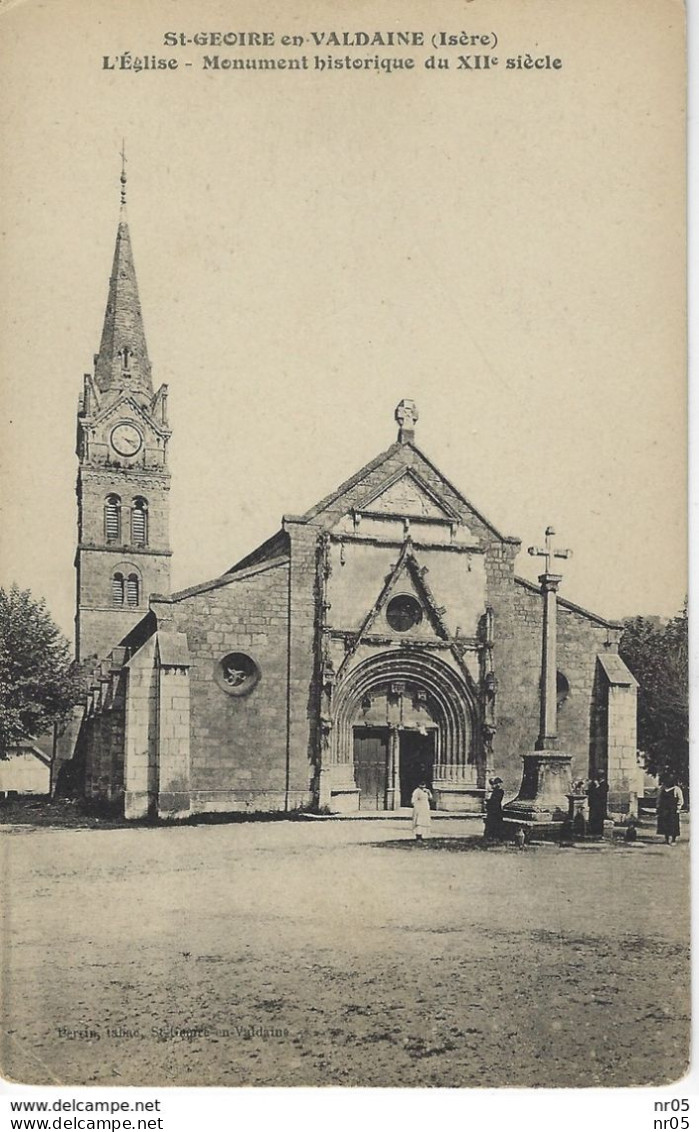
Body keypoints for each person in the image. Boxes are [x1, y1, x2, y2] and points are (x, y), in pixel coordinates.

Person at [656, 777, 684, 845]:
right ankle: (666, 839)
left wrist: (678, 807)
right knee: (665, 824)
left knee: (673, 824)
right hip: (664, 809)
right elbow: (659, 799)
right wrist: (658, 807)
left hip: (673, 810)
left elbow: (681, 799)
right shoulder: (662, 788)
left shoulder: (676, 789)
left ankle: (673, 840)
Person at [587, 772, 609, 836]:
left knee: (599, 819)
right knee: (593, 818)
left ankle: (598, 832)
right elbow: (591, 793)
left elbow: (601, 794)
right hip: (594, 805)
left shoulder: (604, 785)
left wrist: (597, 786)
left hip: (600, 806)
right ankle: (593, 830)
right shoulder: (596, 785)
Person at [483, 777, 505, 842]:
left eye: (499, 783)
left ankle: (497, 836)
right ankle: (491, 836)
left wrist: (488, 801)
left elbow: (496, 800)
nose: (498, 785)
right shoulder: (495, 791)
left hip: (496, 809)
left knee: (496, 823)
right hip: (493, 809)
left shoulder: (500, 791)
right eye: (497, 783)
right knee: (491, 822)